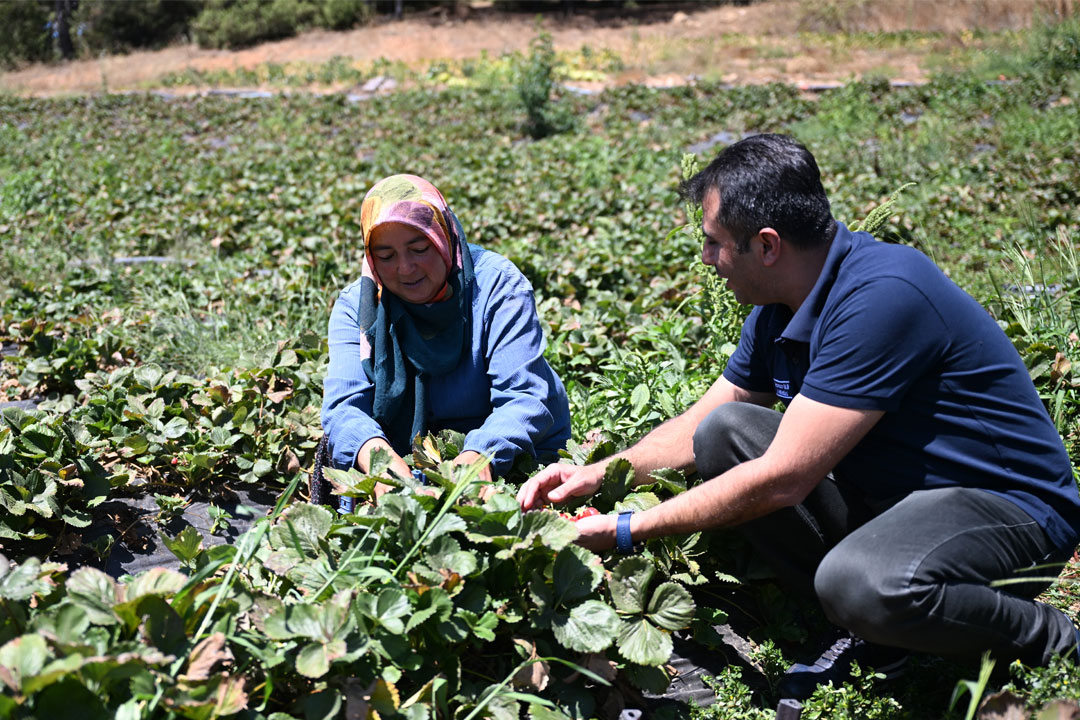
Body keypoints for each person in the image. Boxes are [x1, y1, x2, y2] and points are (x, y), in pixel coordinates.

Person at [517, 133, 1080, 697]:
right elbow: (709, 417)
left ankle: (1047, 637)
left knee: (857, 582)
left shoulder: (881, 295)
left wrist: (622, 530)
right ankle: (876, 631)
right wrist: (599, 473)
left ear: (767, 245)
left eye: (714, 244)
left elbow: (784, 478)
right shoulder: (782, 303)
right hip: (896, 499)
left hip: (1008, 509)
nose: (708, 261)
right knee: (724, 434)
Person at [321, 173, 570, 497]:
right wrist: (385, 469)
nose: (406, 268)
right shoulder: (360, 307)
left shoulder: (498, 288)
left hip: (519, 459)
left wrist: (476, 462)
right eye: (386, 256)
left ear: (442, 236)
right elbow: (343, 408)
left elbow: (524, 397)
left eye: (419, 247)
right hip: (406, 461)